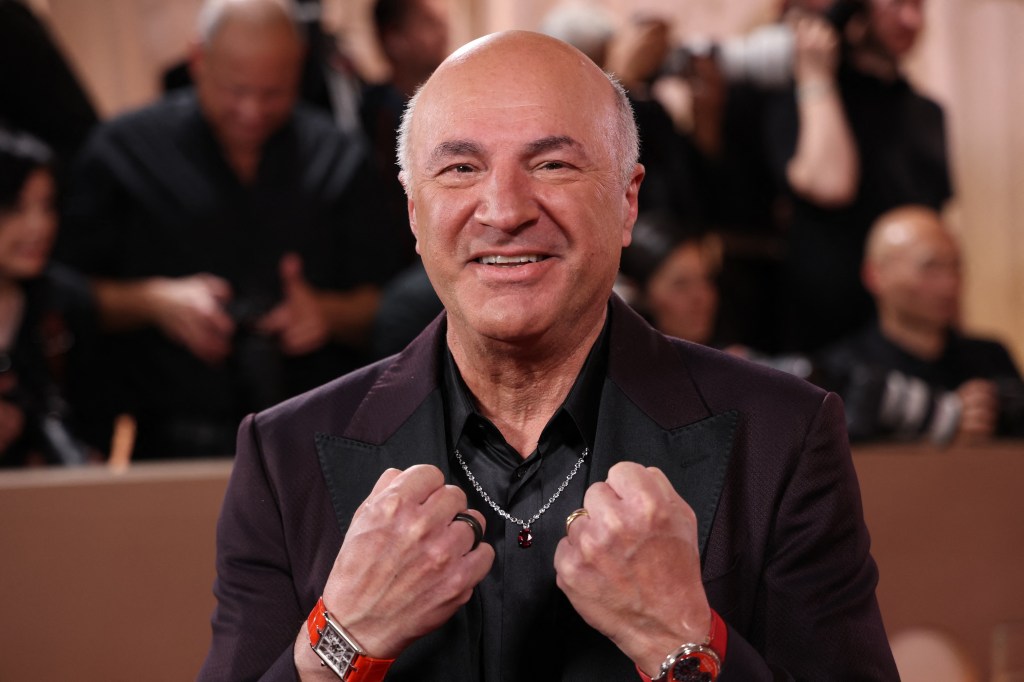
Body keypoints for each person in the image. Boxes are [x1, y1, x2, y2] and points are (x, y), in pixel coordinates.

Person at [199, 31, 897, 681]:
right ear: (414, 213)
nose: (504, 210)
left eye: (552, 164)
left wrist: (684, 642)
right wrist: (344, 638)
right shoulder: (282, 456)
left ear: (627, 202)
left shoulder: (783, 437)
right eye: (461, 168)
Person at [56, 0, 391, 459]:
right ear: (198, 60)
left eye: (272, 93)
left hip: (314, 441)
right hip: (168, 444)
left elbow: (388, 302)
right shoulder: (123, 151)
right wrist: (153, 301)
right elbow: (62, 292)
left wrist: (325, 313)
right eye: (235, 90)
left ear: (298, 69)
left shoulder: (339, 156)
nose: (251, 111)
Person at [814, 206, 1024, 442]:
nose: (950, 283)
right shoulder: (842, 372)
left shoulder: (990, 359)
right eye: (931, 267)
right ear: (875, 275)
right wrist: (944, 422)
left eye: (955, 265)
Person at [0, 128, 97, 467]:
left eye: (47, 206)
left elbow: (95, 423)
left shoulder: (64, 302)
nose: (38, 226)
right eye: (15, 207)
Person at [618, 212, 721, 346]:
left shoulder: (735, 356)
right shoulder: (623, 356)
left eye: (707, 279)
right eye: (681, 285)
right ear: (641, 295)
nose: (702, 297)